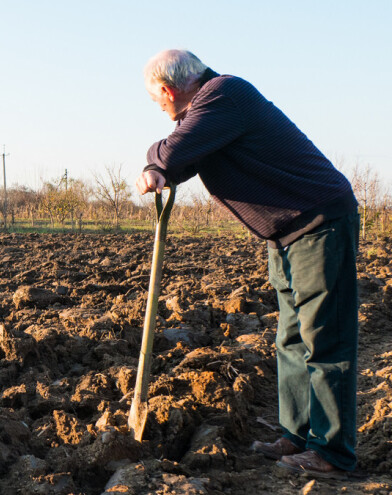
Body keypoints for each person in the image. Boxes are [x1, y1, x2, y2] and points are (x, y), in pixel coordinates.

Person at [137, 49, 359, 479]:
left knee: (325, 341)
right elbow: (180, 157)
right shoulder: (207, 117)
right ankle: (296, 435)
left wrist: (156, 162)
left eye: (155, 100)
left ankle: (332, 453)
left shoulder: (225, 94)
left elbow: (171, 150)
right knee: (291, 340)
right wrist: (162, 168)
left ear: (167, 90)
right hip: (284, 234)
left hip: (318, 223)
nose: (159, 108)